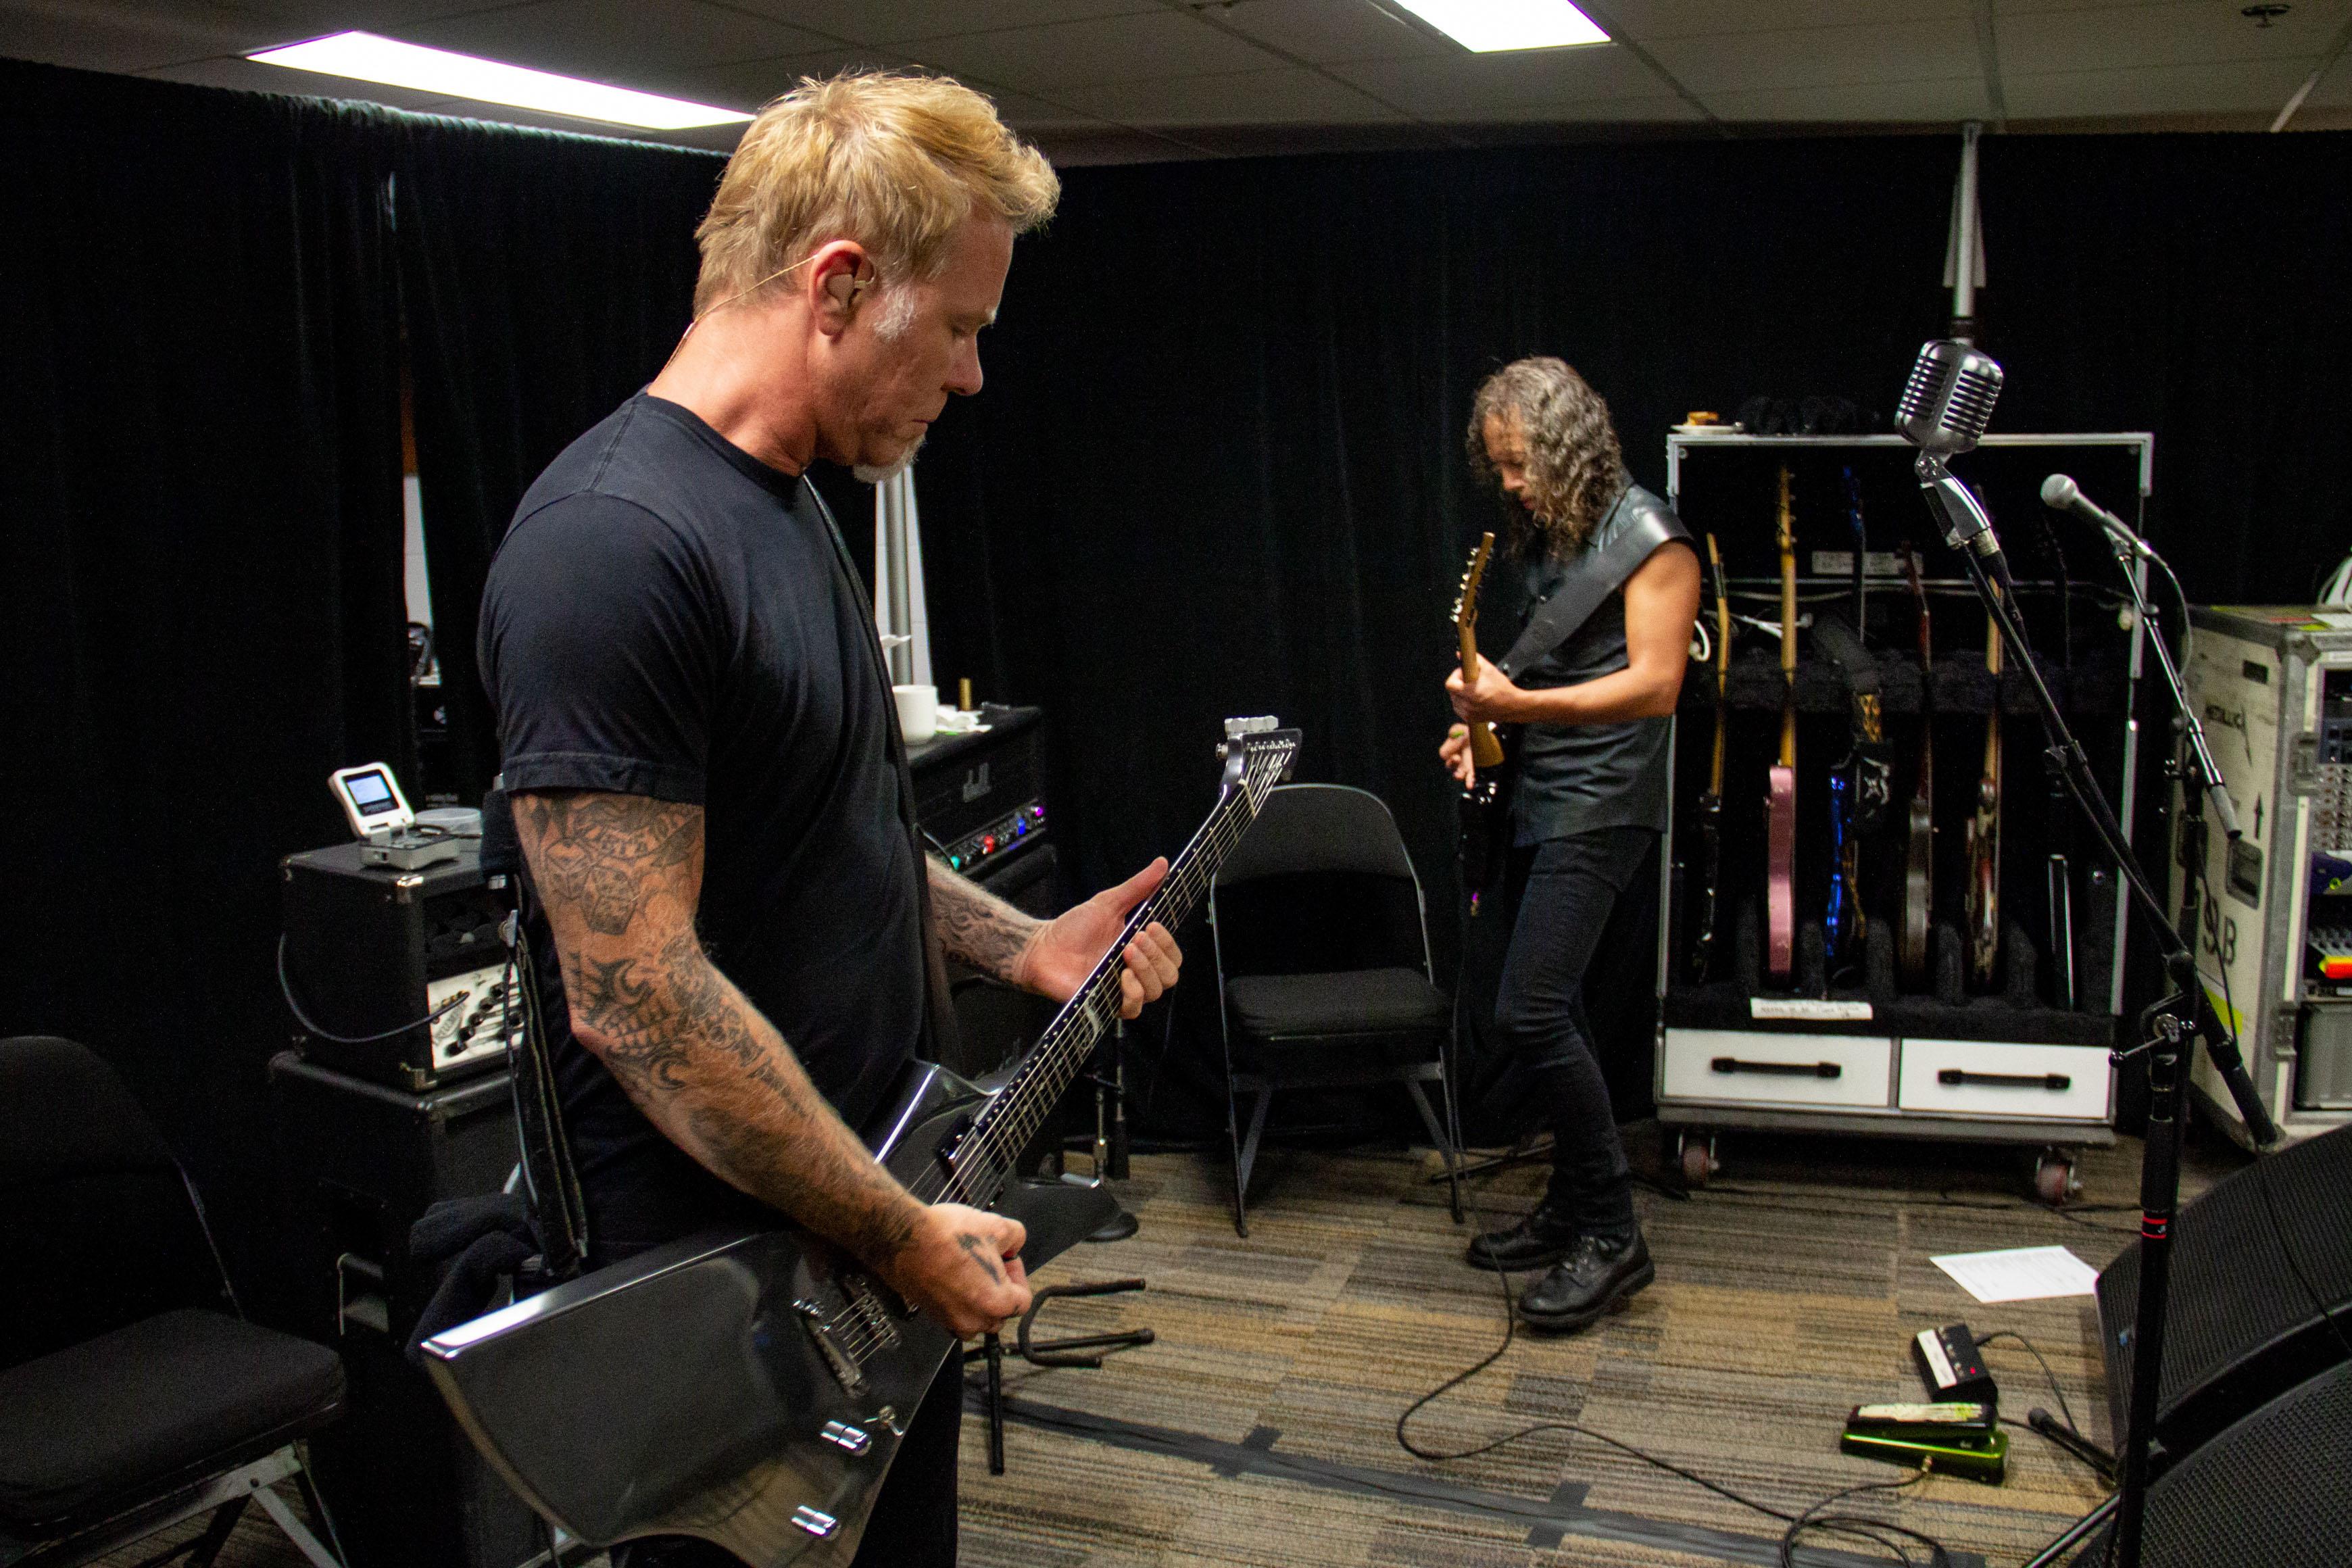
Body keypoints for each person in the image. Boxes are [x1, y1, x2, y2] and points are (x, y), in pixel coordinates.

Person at [478, 71, 1183, 1567]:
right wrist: (893, 1226)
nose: (974, 376)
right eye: (962, 327)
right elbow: (635, 995)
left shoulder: (787, 498)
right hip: (722, 1312)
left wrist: (1021, 947)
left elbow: (831, 830)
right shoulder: (610, 546)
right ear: (841, 286)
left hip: (866, 1244)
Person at [1440, 357, 1699, 1333]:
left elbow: (1656, 685)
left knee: (1532, 1010)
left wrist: (1517, 707)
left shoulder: (1654, 538)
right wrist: (1484, 724)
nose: (1509, 484)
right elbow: (1547, 671)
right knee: (1557, 1008)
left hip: (1607, 801)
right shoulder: (1556, 535)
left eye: (1521, 464)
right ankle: (1572, 1203)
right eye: (1499, 466)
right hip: (1544, 794)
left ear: (1568, 448)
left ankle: (1614, 1233)